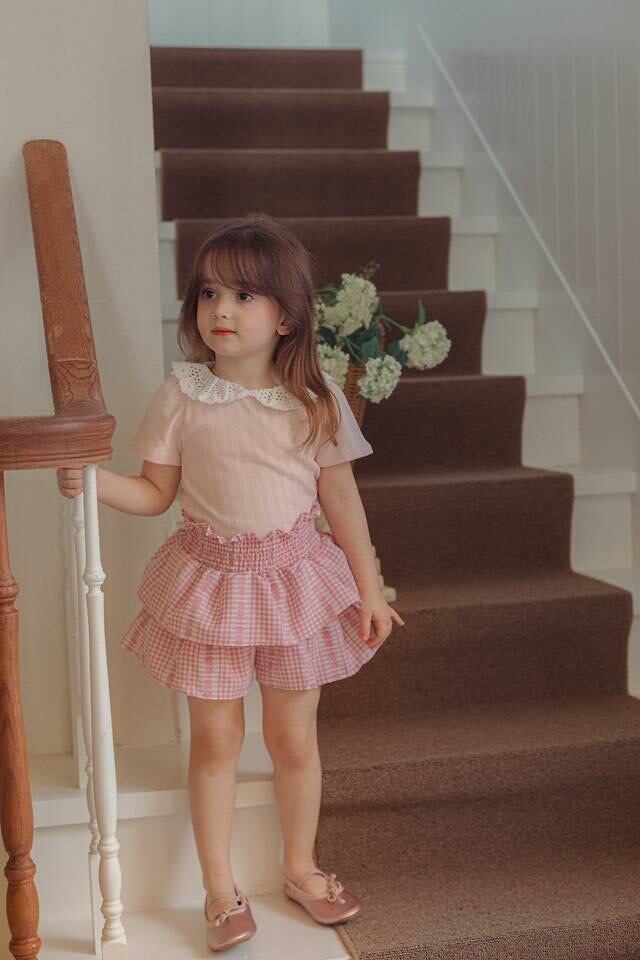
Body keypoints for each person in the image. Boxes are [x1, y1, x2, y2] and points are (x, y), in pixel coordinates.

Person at [57, 212, 405, 952]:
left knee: (293, 736)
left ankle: (301, 867)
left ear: (287, 317)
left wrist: (369, 587)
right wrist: (89, 481)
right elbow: (154, 493)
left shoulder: (316, 399)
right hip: (211, 588)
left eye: (245, 296)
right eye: (210, 293)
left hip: (294, 586)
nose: (222, 308)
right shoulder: (182, 395)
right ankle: (220, 888)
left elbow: (341, 500)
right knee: (216, 738)